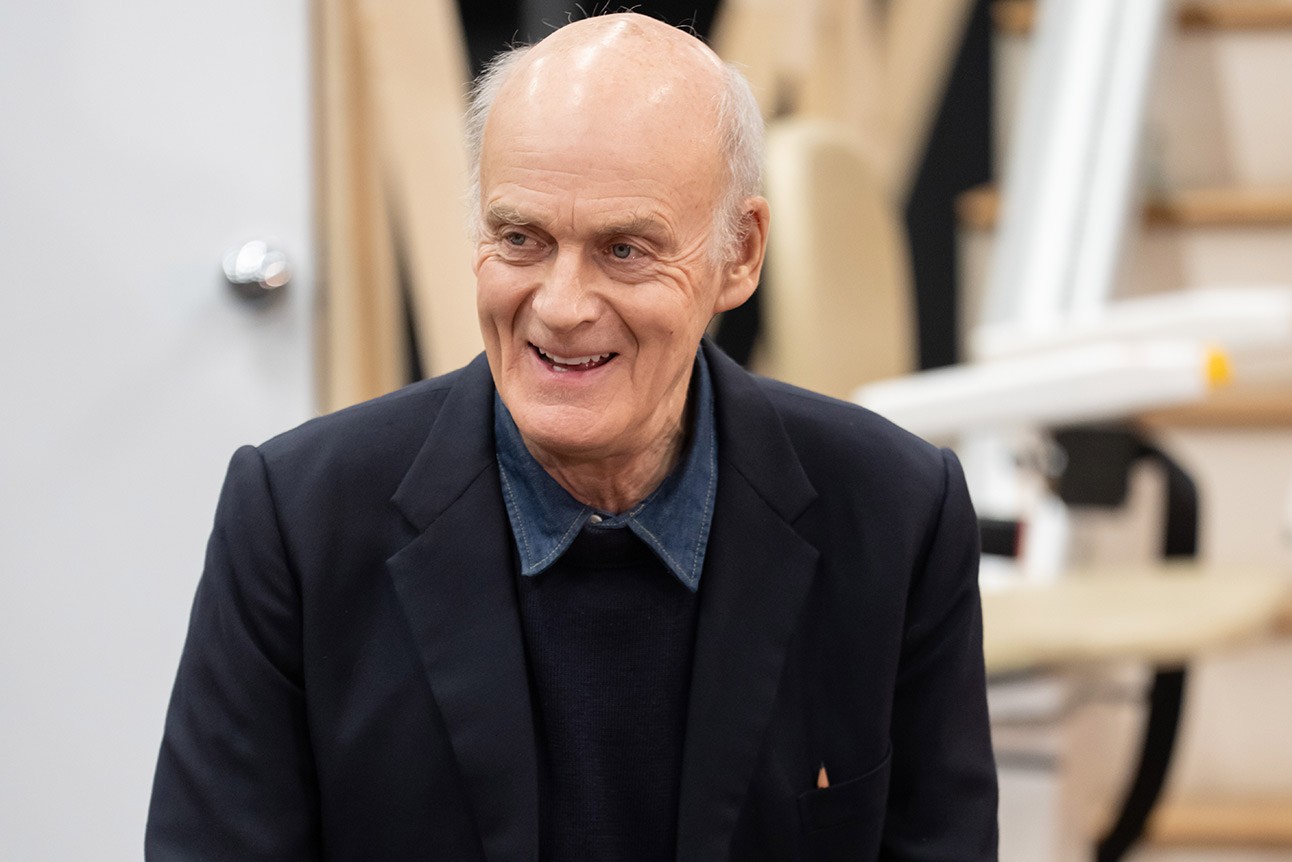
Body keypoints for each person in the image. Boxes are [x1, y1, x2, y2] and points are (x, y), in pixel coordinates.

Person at [147, 12, 996, 861]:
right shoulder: (299, 520)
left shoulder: (896, 514)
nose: (559, 305)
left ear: (738, 254)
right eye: (521, 239)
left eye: (624, 250)